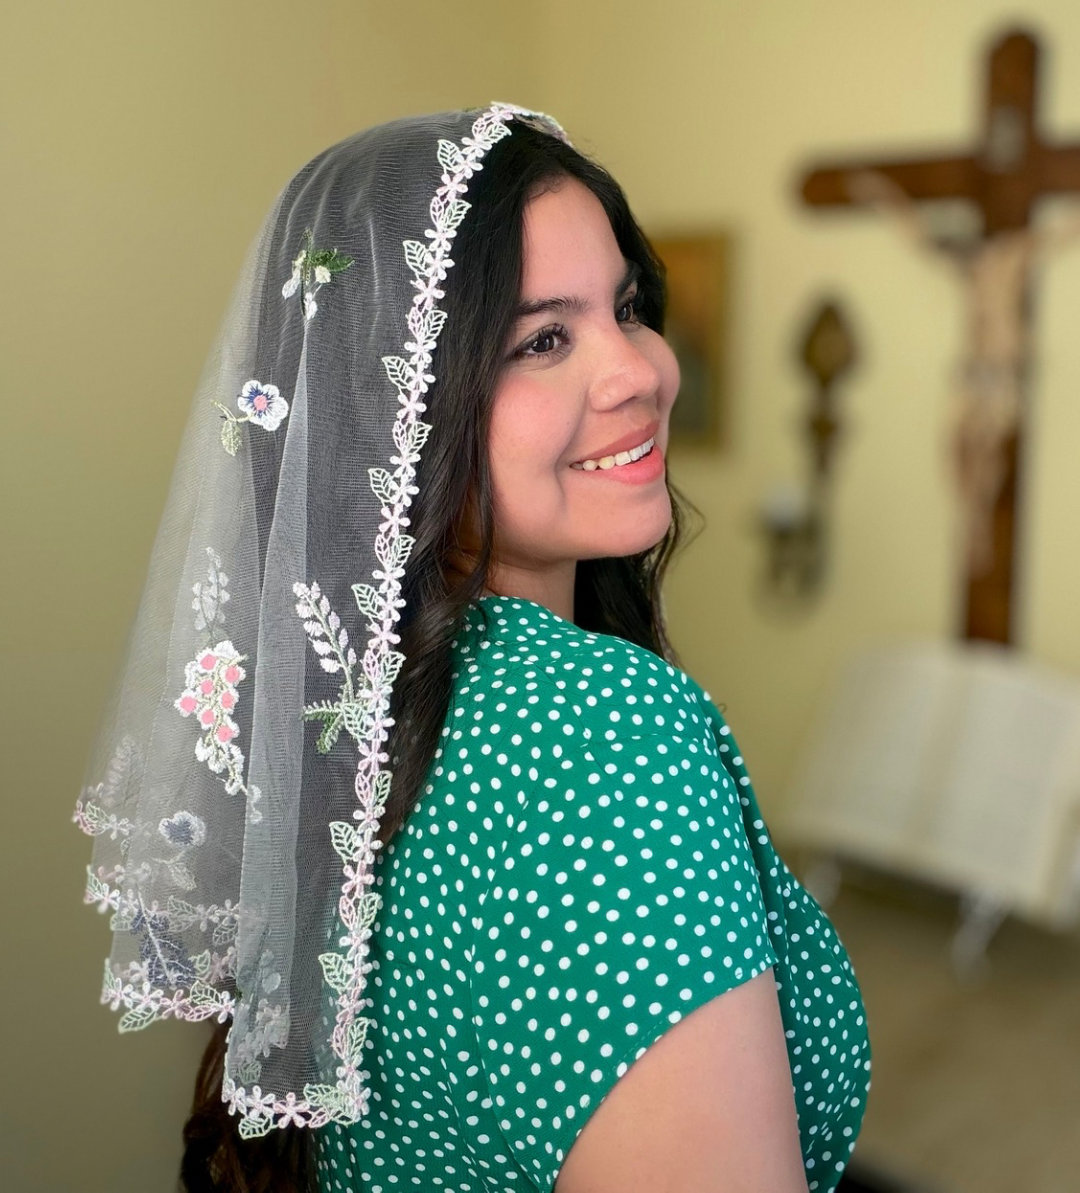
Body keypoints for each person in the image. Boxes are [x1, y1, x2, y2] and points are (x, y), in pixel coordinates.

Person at [75, 105, 871, 1193]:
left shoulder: (350, 718)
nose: (641, 371)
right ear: (390, 407)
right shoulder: (599, 738)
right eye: (542, 340)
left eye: (627, 310)